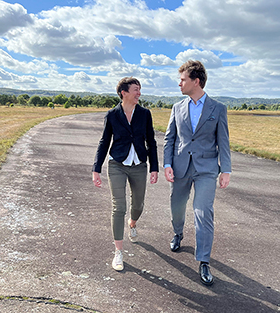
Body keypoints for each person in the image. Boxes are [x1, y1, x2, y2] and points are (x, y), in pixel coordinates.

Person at [163, 60, 231, 286]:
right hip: (181, 167)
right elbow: (170, 138)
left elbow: (223, 141)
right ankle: (178, 233)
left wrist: (226, 170)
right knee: (177, 207)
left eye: (183, 79)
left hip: (206, 169)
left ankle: (203, 261)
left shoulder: (218, 108)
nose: (179, 83)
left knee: (203, 212)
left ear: (196, 81)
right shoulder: (177, 107)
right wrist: (167, 164)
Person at [92, 77, 159, 271]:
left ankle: (133, 222)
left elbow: (151, 142)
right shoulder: (112, 114)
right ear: (124, 92)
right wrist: (96, 169)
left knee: (138, 204)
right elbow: (104, 142)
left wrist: (154, 167)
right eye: (136, 89)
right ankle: (118, 252)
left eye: (140, 90)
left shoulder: (145, 114)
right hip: (117, 164)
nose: (139, 93)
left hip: (139, 164)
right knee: (118, 207)